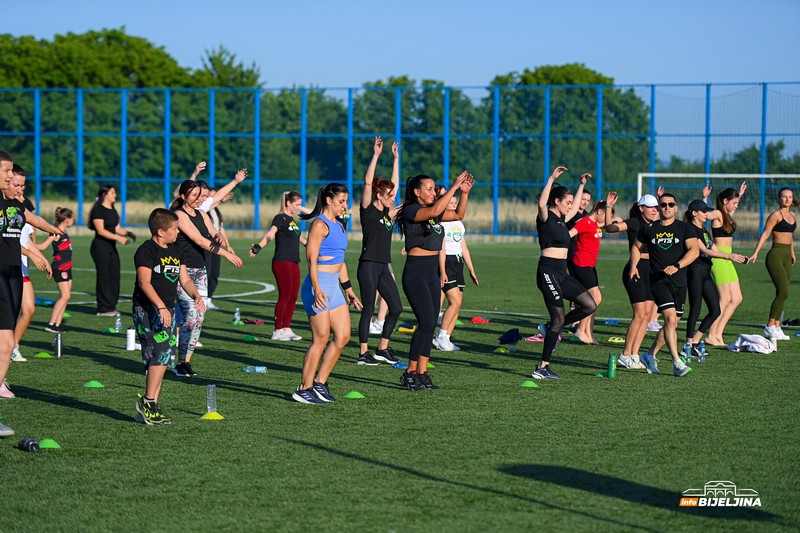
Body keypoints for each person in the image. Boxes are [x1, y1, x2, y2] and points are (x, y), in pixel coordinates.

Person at [0, 151, 61, 425]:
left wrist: (54, 230)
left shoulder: (14, 204)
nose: (11, 177)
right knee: (5, 342)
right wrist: (33, 253)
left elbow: (34, 220)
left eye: (13, 173)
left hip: (13, 273)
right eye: (7, 172)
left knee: (8, 341)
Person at [397, 171, 474, 391]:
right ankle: (410, 372)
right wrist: (453, 187)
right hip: (416, 272)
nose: (433, 192)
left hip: (432, 272)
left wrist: (464, 193)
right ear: (416, 192)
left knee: (430, 325)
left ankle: (423, 372)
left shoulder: (434, 213)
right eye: (429, 189)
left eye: (434, 189)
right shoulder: (412, 210)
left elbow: (458, 214)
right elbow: (434, 210)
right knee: (426, 322)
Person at [291, 183, 362, 404]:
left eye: (346, 201)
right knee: (320, 339)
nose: (345, 205)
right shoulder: (319, 225)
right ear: (329, 200)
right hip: (318, 286)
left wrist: (348, 288)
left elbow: (340, 260)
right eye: (341, 201)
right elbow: (311, 260)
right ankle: (304, 387)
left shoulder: (339, 225)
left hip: (334, 286)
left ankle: (320, 382)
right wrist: (317, 289)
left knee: (343, 336)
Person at [133, 208, 205, 425]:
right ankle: (148, 402)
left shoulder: (176, 250)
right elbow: (144, 282)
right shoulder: (146, 251)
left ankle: (150, 406)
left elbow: (185, 279)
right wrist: (161, 307)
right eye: (174, 229)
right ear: (160, 231)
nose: (177, 233)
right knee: (161, 354)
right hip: (148, 310)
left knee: (159, 357)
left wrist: (195, 295)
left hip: (168, 310)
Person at [170, 179, 243, 377]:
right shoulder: (179, 215)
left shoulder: (202, 213)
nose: (198, 199)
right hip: (182, 270)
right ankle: (175, 360)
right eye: (194, 195)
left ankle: (185, 362)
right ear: (183, 197)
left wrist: (218, 237)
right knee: (190, 316)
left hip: (199, 272)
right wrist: (227, 254)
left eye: (199, 195)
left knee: (199, 318)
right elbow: (199, 240)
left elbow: (211, 232)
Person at [532, 167, 596, 380]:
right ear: (557, 201)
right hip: (547, 272)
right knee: (559, 318)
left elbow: (576, 206)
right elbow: (542, 203)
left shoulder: (562, 219)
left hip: (561, 272)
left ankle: (550, 328)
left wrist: (581, 185)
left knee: (589, 305)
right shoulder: (546, 216)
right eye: (566, 202)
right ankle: (542, 366)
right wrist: (551, 178)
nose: (571, 206)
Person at [631, 193, 699, 377]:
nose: (667, 207)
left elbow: (694, 251)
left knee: (673, 323)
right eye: (663, 205)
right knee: (669, 319)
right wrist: (633, 265)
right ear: (659, 208)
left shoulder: (685, 228)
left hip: (680, 282)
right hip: (659, 282)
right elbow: (636, 247)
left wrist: (677, 266)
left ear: (676, 207)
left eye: (671, 204)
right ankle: (677, 362)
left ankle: (649, 354)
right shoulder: (649, 228)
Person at [355, 137, 402, 365]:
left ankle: (382, 348)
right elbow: (367, 183)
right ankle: (363, 353)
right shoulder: (368, 211)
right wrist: (375, 156)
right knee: (368, 309)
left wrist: (396, 159)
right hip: (368, 265)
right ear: (378, 196)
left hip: (383, 265)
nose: (393, 199)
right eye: (389, 196)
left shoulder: (388, 215)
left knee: (396, 307)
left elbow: (395, 184)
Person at [683, 200, 747, 357]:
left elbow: (713, 248)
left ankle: (696, 341)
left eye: (707, 211)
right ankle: (688, 345)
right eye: (703, 211)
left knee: (715, 310)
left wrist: (734, 257)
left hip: (705, 271)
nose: (706, 214)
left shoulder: (704, 230)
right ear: (694, 213)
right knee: (695, 309)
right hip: (695, 271)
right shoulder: (690, 229)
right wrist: (728, 256)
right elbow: (705, 250)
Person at [604, 195, 660, 369]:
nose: (654, 210)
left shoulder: (657, 225)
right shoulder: (635, 223)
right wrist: (608, 207)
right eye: (650, 207)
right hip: (635, 270)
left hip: (652, 272)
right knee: (639, 314)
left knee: (647, 316)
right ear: (641, 208)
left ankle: (634, 355)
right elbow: (610, 228)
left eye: (656, 207)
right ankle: (625, 354)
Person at [250, 191, 308, 341]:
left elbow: (300, 239)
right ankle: (277, 330)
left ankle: (287, 328)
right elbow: (271, 233)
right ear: (288, 203)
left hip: (294, 261)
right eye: (296, 204)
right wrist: (259, 247)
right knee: (285, 295)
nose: (298, 207)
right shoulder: (280, 218)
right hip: (282, 261)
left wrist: (313, 246)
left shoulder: (292, 221)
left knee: (294, 296)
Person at [567, 192, 618, 345]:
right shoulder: (584, 222)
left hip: (590, 265)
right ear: (600, 212)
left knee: (594, 299)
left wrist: (610, 207)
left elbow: (609, 223)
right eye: (606, 214)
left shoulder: (597, 224)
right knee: (596, 298)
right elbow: (568, 234)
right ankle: (581, 330)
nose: (607, 218)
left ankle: (588, 333)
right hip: (581, 264)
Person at [749, 187, 798, 340]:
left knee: (782, 293)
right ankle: (770, 325)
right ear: (779, 199)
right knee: (784, 292)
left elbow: (789, 236)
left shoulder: (793, 215)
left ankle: (777, 326)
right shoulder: (775, 215)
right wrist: (756, 252)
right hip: (775, 255)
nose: (787, 199)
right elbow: (765, 233)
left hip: (786, 257)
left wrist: (792, 253)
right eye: (784, 197)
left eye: (790, 197)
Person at [13, 165, 50, 362]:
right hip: (8, 265)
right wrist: (34, 256)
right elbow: (9, 240)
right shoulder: (5, 206)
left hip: (21, 267)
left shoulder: (23, 206)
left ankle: (12, 345)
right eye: (16, 184)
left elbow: (26, 239)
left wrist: (42, 258)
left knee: (29, 309)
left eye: (23, 185)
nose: (20, 189)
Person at [434, 190, 479, 352]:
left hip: (458, 263)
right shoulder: (441, 223)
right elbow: (441, 249)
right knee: (455, 302)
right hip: (447, 263)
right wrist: (442, 270)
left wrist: (471, 270)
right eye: (450, 202)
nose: (453, 204)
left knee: (458, 304)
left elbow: (464, 247)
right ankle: (440, 337)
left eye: (455, 202)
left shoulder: (459, 223)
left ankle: (446, 338)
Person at [705, 182, 747, 346]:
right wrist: (704, 199)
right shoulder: (717, 213)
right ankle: (710, 334)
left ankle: (718, 334)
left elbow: (732, 205)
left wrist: (739, 195)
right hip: (719, 257)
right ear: (724, 201)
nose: (736, 205)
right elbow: (702, 215)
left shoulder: (728, 214)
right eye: (734, 202)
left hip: (729, 258)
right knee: (724, 299)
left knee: (737, 298)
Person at [89, 184, 136, 316]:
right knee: (104, 277)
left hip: (110, 247)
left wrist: (128, 233)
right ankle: (103, 308)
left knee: (114, 276)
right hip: (100, 247)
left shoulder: (112, 209)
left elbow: (116, 228)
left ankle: (111, 306)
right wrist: (118, 238)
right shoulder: (98, 210)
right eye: (112, 193)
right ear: (105, 194)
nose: (115, 195)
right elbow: (101, 230)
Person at [37, 207, 75, 333]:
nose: (73, 220)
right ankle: (51, 324)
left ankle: (57, 324)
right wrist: (25, 245)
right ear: (67, 220)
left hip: (67, 267)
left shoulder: (64, 231)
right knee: (65, 295)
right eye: (72, 218)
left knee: (66, 296)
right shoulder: (56, 232)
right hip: (60, 267)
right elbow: (42, 246)